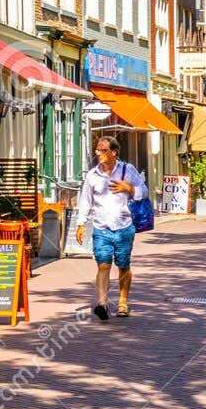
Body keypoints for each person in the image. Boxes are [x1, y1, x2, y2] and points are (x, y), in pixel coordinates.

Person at [74, 135, 146, 321]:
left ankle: (123, 302)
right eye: (97, 150)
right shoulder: (92, 175)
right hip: (101, 227)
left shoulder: (127, 170)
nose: (98, 153)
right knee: (103, 264)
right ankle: (102, 304)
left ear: (114, 152)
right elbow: (86, 201)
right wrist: (81, 224)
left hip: (124, 227)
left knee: (123, 265)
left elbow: (144, 191)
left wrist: (130, 188)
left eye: (103, 150)